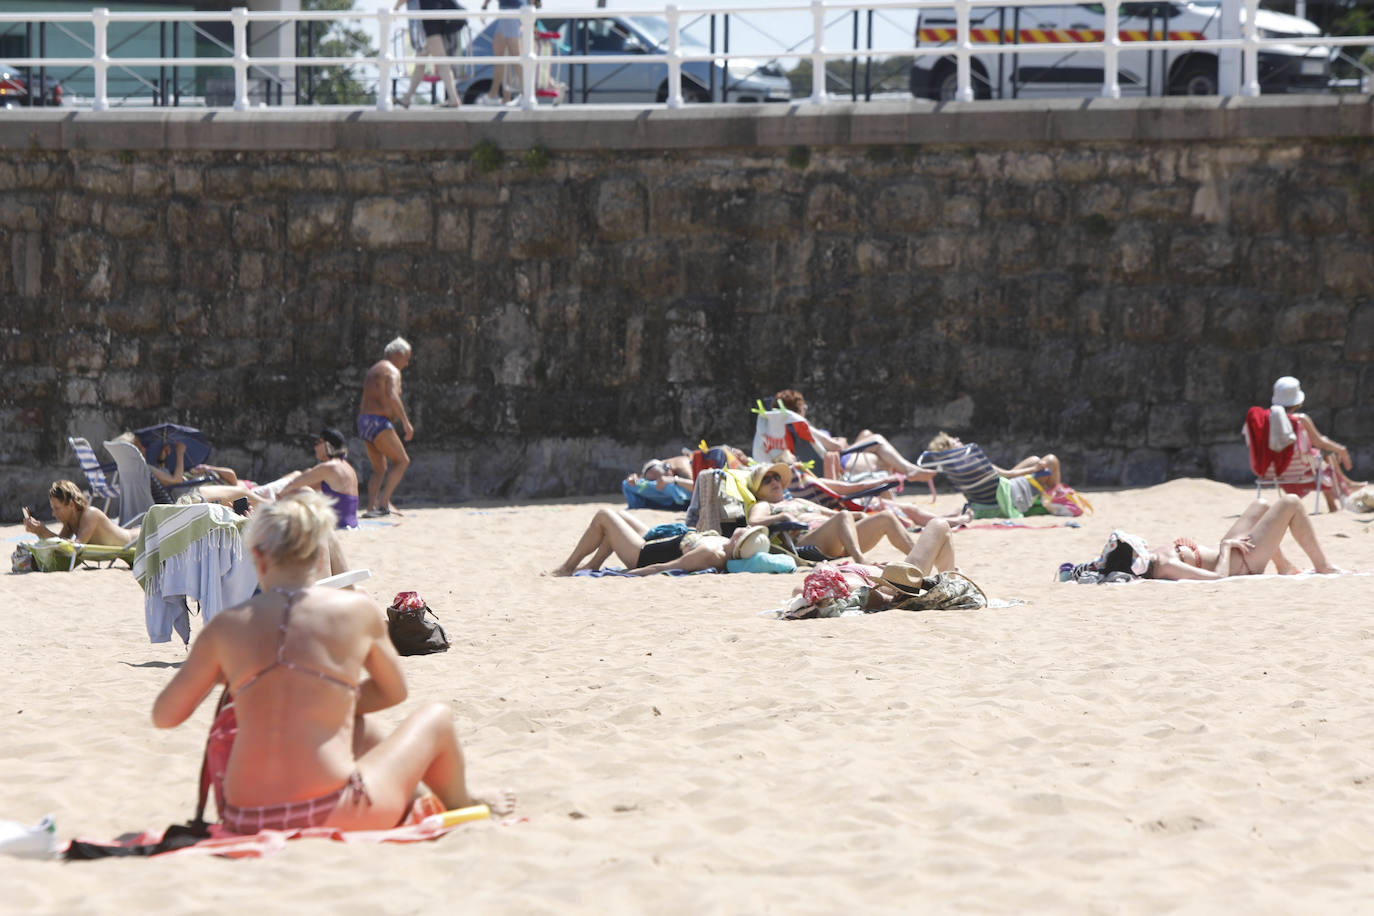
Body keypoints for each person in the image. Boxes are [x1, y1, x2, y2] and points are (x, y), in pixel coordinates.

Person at [151, 490, 514, 833]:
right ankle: (460, 802)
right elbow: (394, 692)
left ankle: (432, 798)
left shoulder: (226, 626)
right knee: (436, 718)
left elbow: (165, 716)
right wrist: (324, 700)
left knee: (359, 731)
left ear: (257, 557)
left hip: (245, 815)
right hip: (333, 811)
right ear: (318, 555)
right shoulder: (358, 611)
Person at [746, 461, 915, 566]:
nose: (774, 481)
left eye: (776, 477)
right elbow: (753, 522)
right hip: (810, 542)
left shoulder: (798, 501)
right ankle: (860, 559)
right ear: (758, 490)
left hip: (839, 540)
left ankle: (918, 558)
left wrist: (859, 516)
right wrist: (781, 517)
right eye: (767, 480)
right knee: (842, 516)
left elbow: (831, 515)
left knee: (885, 517)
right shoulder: (764, 505)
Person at [1145, 494, 1346, 580]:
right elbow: (1218, 578)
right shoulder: (1166, 564)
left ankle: (1283, 565)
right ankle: (1322, 565)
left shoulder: (1152, 556)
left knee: (1262, 505)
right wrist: (1225, 547)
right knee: (1291, 502)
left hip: (1232, 553)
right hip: (1240, 564)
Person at [548, 509, 769, 576]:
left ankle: (567, 567)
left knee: (604, 516)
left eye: (749, 531)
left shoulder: (712, 554)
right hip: (661, 541)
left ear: (741, 540)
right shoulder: (722, 544)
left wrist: (628, 574)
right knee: (617, 517)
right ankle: (591, 565)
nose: (748, 526)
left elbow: (668, 567)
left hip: (642, 555)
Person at [773, 389, 931, 482]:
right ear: (798, 410)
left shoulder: (788, 431)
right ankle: (908, 471)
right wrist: (839, 442)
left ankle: (905, 472)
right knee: (878, 444)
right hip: (842, 462)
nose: (806, 408)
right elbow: (835, 448)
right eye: (803, 406)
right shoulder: (803, 427)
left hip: (840, 456)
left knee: (866, 434)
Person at [1270, 376, 1365, 512]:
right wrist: (1341, 450)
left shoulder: (1266, 420)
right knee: (1325, 453)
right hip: (1299, 470)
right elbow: (1319, 441)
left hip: (1273, 471)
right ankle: (1343, 489)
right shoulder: (1300, 419)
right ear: (1298, 401)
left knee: (1323, 453)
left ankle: (1344, 486)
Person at [925, 431, 1065, 516]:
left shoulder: (955, 468)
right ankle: (1057, 498)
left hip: (988, 498)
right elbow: (1007, 475)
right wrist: (1033, 470)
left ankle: (1052, 494)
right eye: (953, 441)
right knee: (1051, 461)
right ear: (952, 449)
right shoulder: (973, 460)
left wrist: (1033, 467)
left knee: (1034, 459)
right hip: (1009, 495)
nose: (957, 439)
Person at [358, 337, 414, 517]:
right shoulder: (393, 371)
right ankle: (383, 504)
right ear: (398, 354)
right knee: (402, 461)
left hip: (364, 422)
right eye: (406, 358)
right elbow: (391, 395)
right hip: (378, 423)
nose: (407, 363)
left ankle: (370, 508)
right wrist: (405, 421)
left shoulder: (374, 370)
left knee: (379, 468)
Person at [277, 428, 360, 530]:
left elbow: (294, 483)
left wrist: (281, 493)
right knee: (302, 485)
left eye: (319, 442)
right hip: (351, 524)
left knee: (294, 491)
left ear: (328, 445)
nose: (315, 446)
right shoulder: (346, 466)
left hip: (337, 525)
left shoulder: (329, 467)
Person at [23, 479, 136, 547]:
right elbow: (59, 544)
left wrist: (43, 531)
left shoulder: (90, 514)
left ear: (71, 505)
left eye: (57, 508)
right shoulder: (70, 523)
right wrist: (38, 531)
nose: (54, 514)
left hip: (137, 542)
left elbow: (77, 546)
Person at [394, 0, 461, 109]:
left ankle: (453, 99)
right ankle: (407, 97)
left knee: (440, 60)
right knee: (420, 61)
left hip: (428, 17)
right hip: (433, 14)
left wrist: (395, 8)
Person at [479, 0, 540, 106]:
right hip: (510, 10)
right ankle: (500, 95)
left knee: (515, 55)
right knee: (500, 54)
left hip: (512, 10)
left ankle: (526, 94)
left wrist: (485, 6)